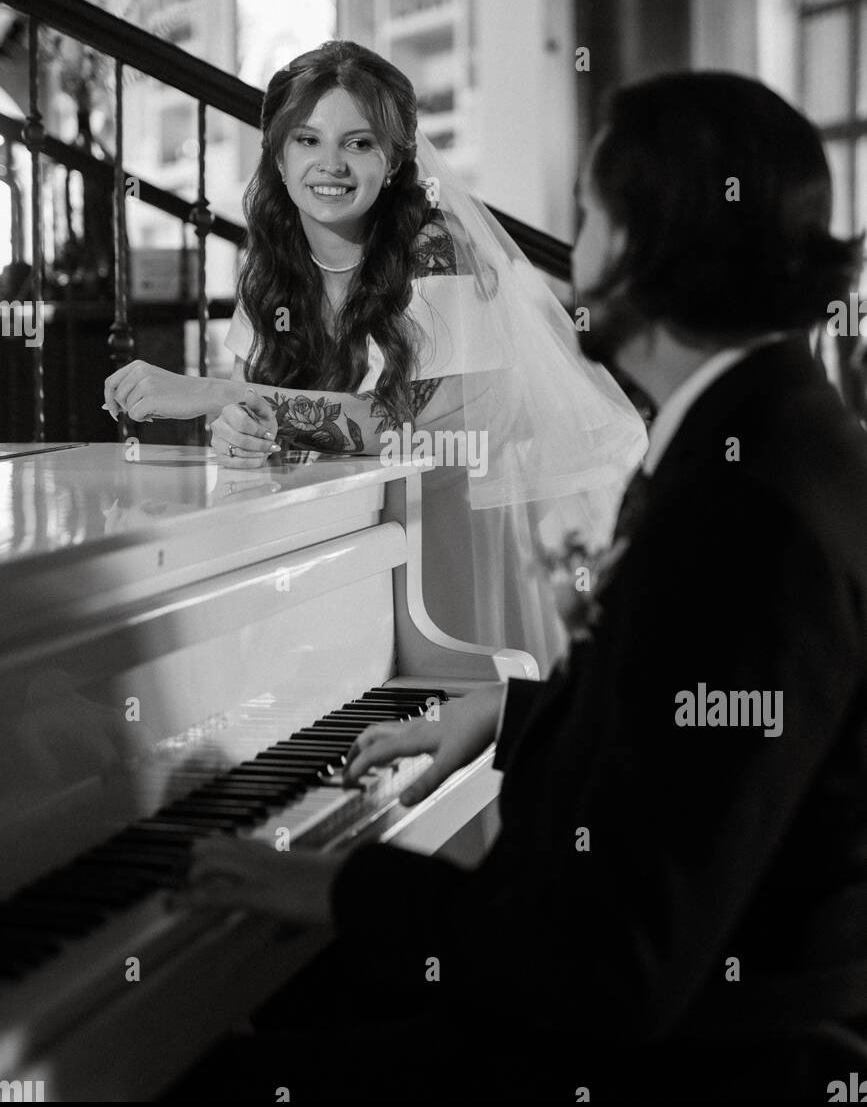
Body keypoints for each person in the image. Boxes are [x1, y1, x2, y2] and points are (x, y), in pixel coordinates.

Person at [172, 70, 867, 1104]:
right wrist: (519, 708)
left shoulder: (744, 512)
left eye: (586, 214)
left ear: (641, 242)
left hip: (704, 1071)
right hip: (676, 1005)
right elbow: (701, 752)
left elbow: (612, 964)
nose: (566, 255)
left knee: (187, 1090)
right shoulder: (775, 439)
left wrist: (344, 886)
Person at [104, 41, 646, 673]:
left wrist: (211, 397)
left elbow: (397, 427)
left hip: (445, 542)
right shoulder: (268, 259)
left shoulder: (436, 249)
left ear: (393, 162)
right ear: (278, 155)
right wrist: (241, 429)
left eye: (358, 143)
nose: (330, 164)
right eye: (307, 140)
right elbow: (254, 400)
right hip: (328, 536)